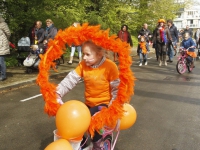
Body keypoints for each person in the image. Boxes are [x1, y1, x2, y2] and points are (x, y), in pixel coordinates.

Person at [56, 40, 120, 149]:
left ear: (99, 54)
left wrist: (112, 108)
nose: (84, 57)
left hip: (103, 104)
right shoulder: (83, 65)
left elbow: (117, 89)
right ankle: (80, 143)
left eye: (87, 54)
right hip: (89, 103)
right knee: (74, 119)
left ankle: (99, 144)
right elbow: (70, 80)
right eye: (83, 54)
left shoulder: (110, 66)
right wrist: (57, 92)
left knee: (93, 121)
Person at [0, 16, 11, 81]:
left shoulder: (3, 24)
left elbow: (8, 33)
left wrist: (5, 40)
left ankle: (3, 75)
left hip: (2, 45)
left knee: (1, 61)